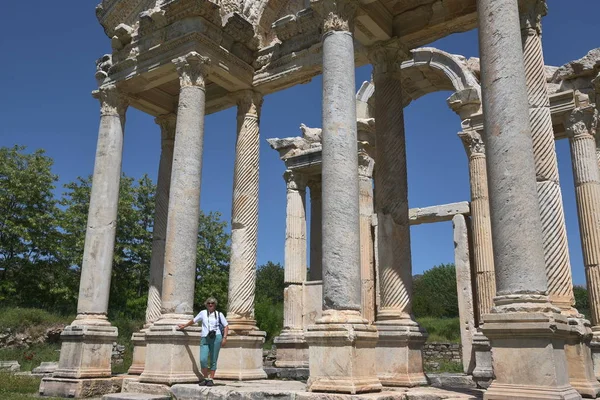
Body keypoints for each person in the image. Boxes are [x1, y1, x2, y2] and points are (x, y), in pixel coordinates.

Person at [177, 297, 229, 386]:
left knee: (213, 359)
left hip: (216, 337)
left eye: (212, 303)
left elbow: (226, 326)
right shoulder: (203, 313)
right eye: (208, 303)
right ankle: (205, 378)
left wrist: (224, 338)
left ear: (215, 305)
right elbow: (193, 321)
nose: (210, 304)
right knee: (203, 359)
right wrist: (184, 326)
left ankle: (211, 379)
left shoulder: (219, 314)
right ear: (206, 304)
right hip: (205, 337)